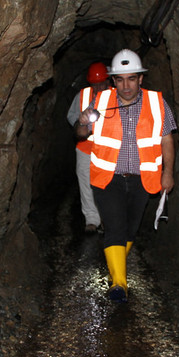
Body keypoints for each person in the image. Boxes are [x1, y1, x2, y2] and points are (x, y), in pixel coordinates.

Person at [74, 49, 177, 303]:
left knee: (131, 230)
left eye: (131, 79)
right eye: (120, 80)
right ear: (113, 81)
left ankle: (114, 267)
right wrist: (83, 121)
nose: (126, 85)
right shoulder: (100, 102)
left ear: (141, 79)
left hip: (143, 177)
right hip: (109, 177)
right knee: (115, 227)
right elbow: (80, 133)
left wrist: (168, 173)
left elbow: (167, 139)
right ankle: (119, 284)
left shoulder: (156, 103)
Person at [67, 62, 111, 233]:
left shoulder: (116, 96)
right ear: (90, 83)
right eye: (95, 83)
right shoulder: (83, 95)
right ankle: (92, 220)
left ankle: (108, 218)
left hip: (108, 149)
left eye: (102, 83)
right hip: (85, 147)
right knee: (86, 184)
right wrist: (81, 126)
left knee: (107, 185)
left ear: (108, 81)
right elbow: (71, 116)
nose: (99, 86)